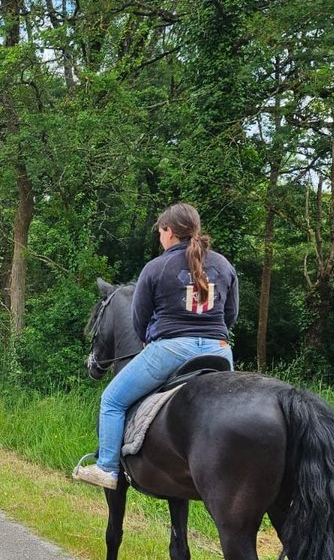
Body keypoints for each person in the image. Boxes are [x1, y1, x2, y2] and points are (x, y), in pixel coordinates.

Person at [72, 202, 238, 490]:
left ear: (169, 232)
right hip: (219, 350)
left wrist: (152, 339)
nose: (160, 238)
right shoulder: (223, 265)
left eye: (160, 232)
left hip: (171, 350)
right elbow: (231, 314)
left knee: (111, 400)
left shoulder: (157, 267)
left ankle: (107, 467)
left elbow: (139, 319)